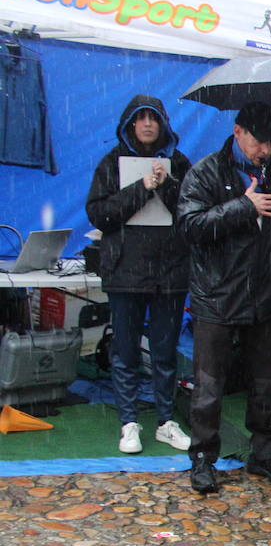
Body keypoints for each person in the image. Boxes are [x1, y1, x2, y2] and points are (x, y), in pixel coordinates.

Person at [177, 101, 271, 494]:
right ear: (237, 133)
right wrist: (241, 206)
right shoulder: (205, 172)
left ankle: (265, 454)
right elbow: (188, 226)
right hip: (216, 295)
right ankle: (203, 457)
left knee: (268, 382)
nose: (264, 150)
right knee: (209, 384)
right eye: (257, 141)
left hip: (266, 294)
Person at [85, 95, 193, 455]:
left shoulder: (178, 162)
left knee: (164, 351)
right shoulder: (110, 163)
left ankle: (165, 420)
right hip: (124, 272)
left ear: (162, 123)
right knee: (125, 350)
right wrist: (140, 188)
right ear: (130, 124)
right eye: (141, 118)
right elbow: (99, 214)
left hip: (170, 274)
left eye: (154, 118)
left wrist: (166, 184)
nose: (148, 124)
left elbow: (193, 212)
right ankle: (128, 422)